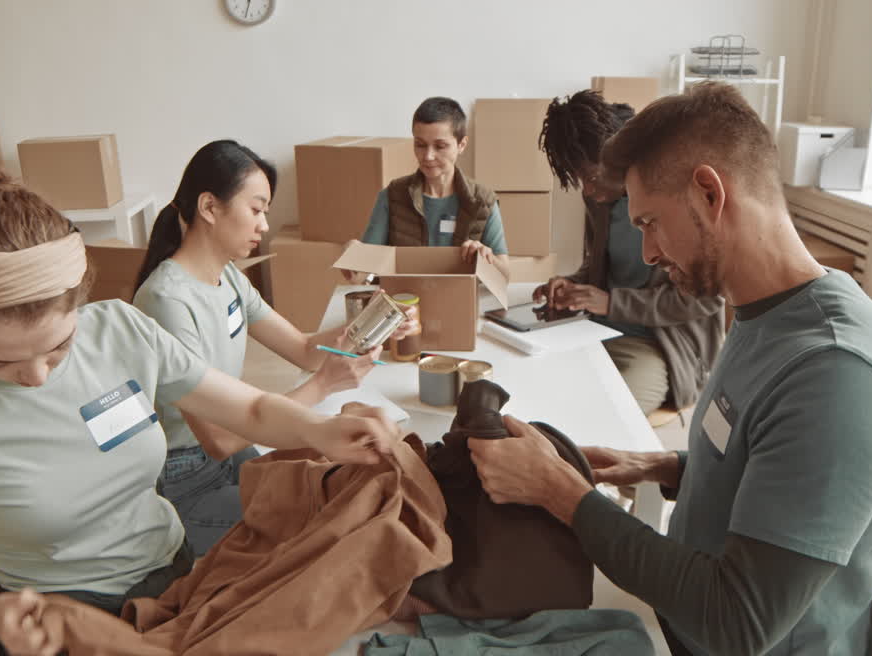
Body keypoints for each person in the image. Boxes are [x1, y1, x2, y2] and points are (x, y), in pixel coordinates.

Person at [0, 169, 401, 656]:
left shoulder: (121, 331)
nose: (37, 377)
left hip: (179, 583)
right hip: (72, 635)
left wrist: (321, 432)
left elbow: (248, 408)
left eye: (58, 347)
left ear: (80, 304)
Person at [468, 82, 872, 656]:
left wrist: (562, 496)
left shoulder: (837, 376)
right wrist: (661, 466)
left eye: (651, 223)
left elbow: (738, 622)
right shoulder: (767, 315)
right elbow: (761, 466)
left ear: (710, 194)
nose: (649, 252)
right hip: (693, 632)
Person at [132, 140, 415, 556]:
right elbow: (218, 438)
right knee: (337, 514)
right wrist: (322, 385)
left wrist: (376, 320)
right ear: (209, 208)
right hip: (187, 481)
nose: (264, 225)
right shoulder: (166, 301)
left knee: (346, 479)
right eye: (257, 209)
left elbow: (302, 348)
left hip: (231, 459)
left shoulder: (227, 276)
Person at [536, 90, 725, 413]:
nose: (589, 191)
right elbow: (601, 267)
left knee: (611, 413)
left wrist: (612, 303)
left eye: (593, 177)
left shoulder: (680, 202)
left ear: (622, 158)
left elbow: (706, 299)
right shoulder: (600, 201)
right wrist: (574, 287)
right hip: (597, 330)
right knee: (545, 390)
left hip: (660, 345)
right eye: (581, 181)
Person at [352, 96, 510, 278]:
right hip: (405, 302)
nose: (428, 156)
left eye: (440, 146)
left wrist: (485, 258)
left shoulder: (483, 200)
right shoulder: (392, 196)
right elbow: (363, 272)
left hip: (461, 301)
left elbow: (504, 275)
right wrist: (354, 256)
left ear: (461, 145)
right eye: (420, 145)